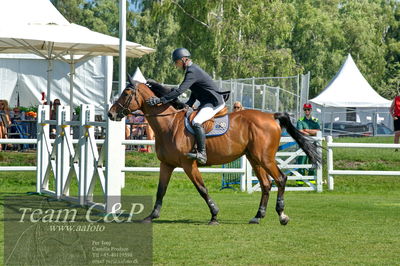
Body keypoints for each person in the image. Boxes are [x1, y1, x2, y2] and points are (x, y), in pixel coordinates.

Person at [146, 48, 225, 164]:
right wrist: (189, 104)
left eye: (176, 62)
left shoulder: (192, 71)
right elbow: (195, 90)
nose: (175, 65)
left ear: (183, 60)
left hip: (214, 102)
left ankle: (202, 153)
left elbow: (179, 91)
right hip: (206, 101)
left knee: (196, 121)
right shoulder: (191, 70)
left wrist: (160, 100)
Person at [296, 103, 320, 186]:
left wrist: (307, 130)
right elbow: (300, 132)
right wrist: (311, 132)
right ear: (303, 110)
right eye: (305, 109)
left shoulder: (315, 120)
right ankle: (300, 182)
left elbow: (318, 131)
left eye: (308, 109)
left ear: (311, 110)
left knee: (312, 162)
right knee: (301, 163)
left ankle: (311, 182)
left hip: (313, 145)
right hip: (303, 145)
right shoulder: (300, 120)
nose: (307, 111)